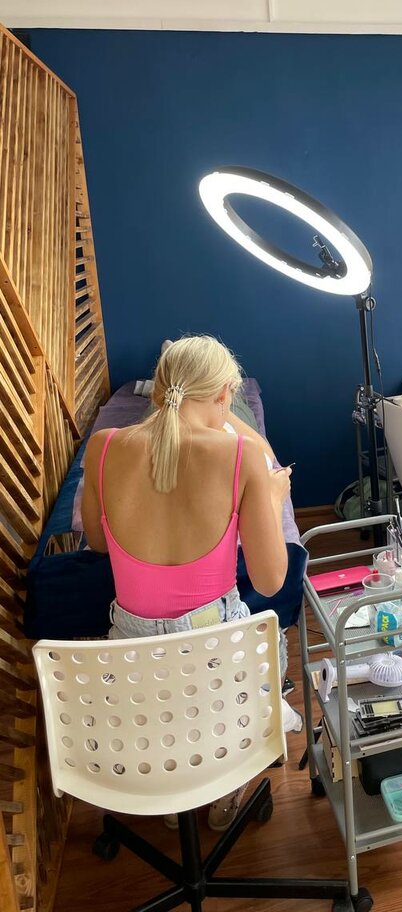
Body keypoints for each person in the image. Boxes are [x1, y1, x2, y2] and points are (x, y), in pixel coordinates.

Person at [81, 335, 293, 831]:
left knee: (165, 697)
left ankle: (173, 789)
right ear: (225, 395)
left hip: (133, 670)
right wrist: (270, 498)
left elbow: (96, 541)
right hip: (215, 659)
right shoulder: (240, 454)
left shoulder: (102, 446)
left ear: (157, 388)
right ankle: (224, 783)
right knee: (274, 641)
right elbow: (270, 580)